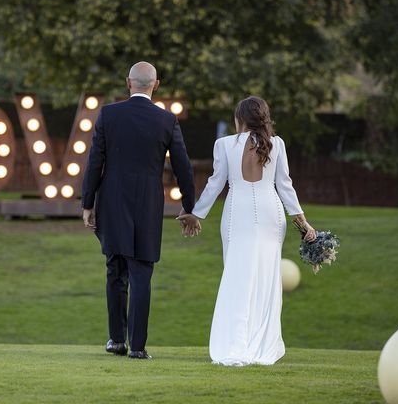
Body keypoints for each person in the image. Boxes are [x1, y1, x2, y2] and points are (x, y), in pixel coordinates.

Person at [179, 96, 316, 366]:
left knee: (236, 275)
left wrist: (197, 214)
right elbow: (285, 187)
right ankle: (259, 344)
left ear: (238, 119)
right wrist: (303, 224)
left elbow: (215, 183)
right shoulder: (277, 144)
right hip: (270, 213)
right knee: (266, 279)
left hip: (237, 213)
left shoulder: (224, 144)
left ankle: (236, 343)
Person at [81, 61, 197, 359]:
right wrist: (188, 206)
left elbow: (95, 162)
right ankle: (139, 347)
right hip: (148, 204)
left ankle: (117, 340)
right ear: (155, 85)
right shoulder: (167, 121)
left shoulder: (108, 114)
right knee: (141, 274)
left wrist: (87, 204)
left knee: (115, 270)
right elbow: (183, 167)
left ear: (128, 83)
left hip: (112, 202)